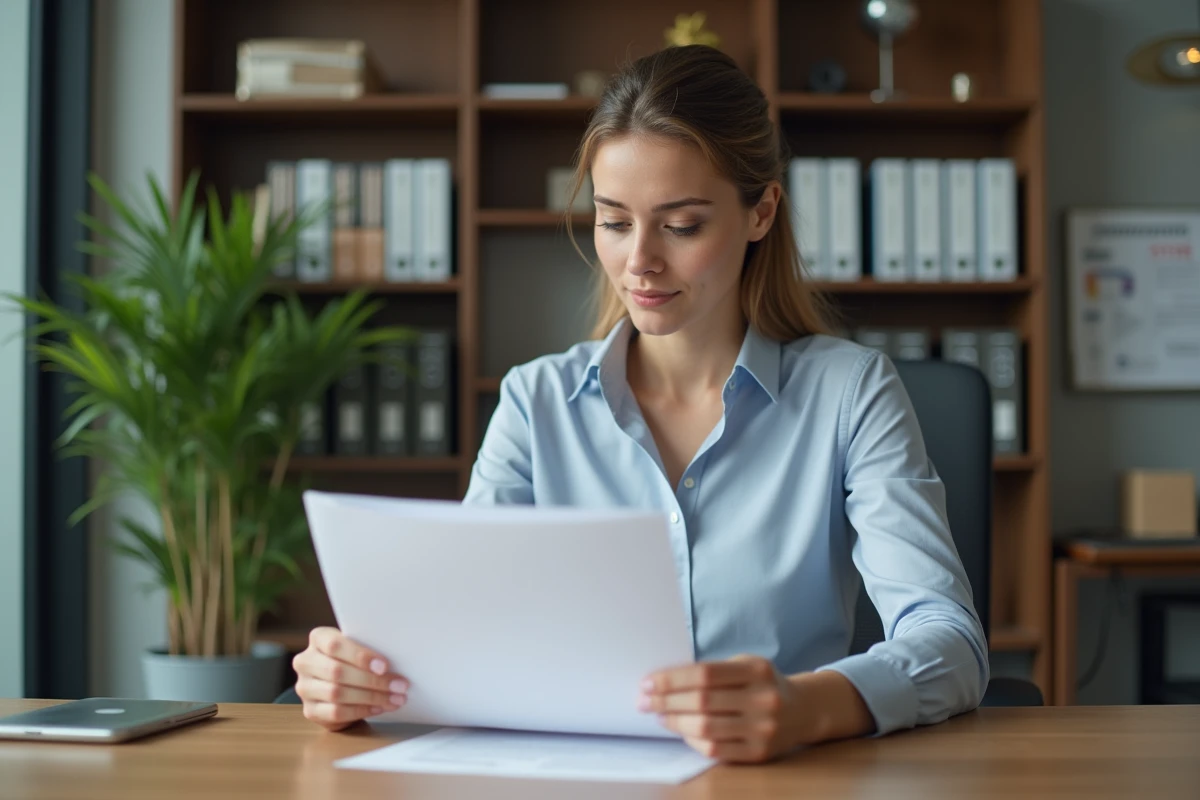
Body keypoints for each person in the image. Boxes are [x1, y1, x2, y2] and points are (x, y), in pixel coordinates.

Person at [290, 44, 988, 763]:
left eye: (681, 225)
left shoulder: (850, 394)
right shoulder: (537, 402)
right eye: (615, 222)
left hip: (779, 778)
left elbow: (949, 640)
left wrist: (808, 706)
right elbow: (465, 638)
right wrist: (358, 675)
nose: (640, 261)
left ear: (761, 213)